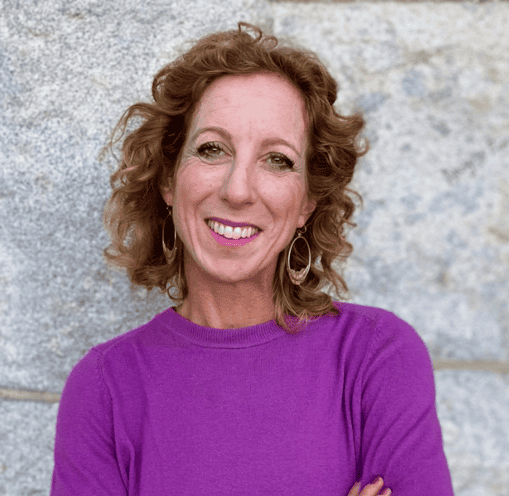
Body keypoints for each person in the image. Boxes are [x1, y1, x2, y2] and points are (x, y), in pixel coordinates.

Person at [51, 22, 454, 495]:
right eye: (212, 149)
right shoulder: (104, 389)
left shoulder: (376, 358)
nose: (238, 190)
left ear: (307, 202)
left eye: (277, 159)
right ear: (168, 179)